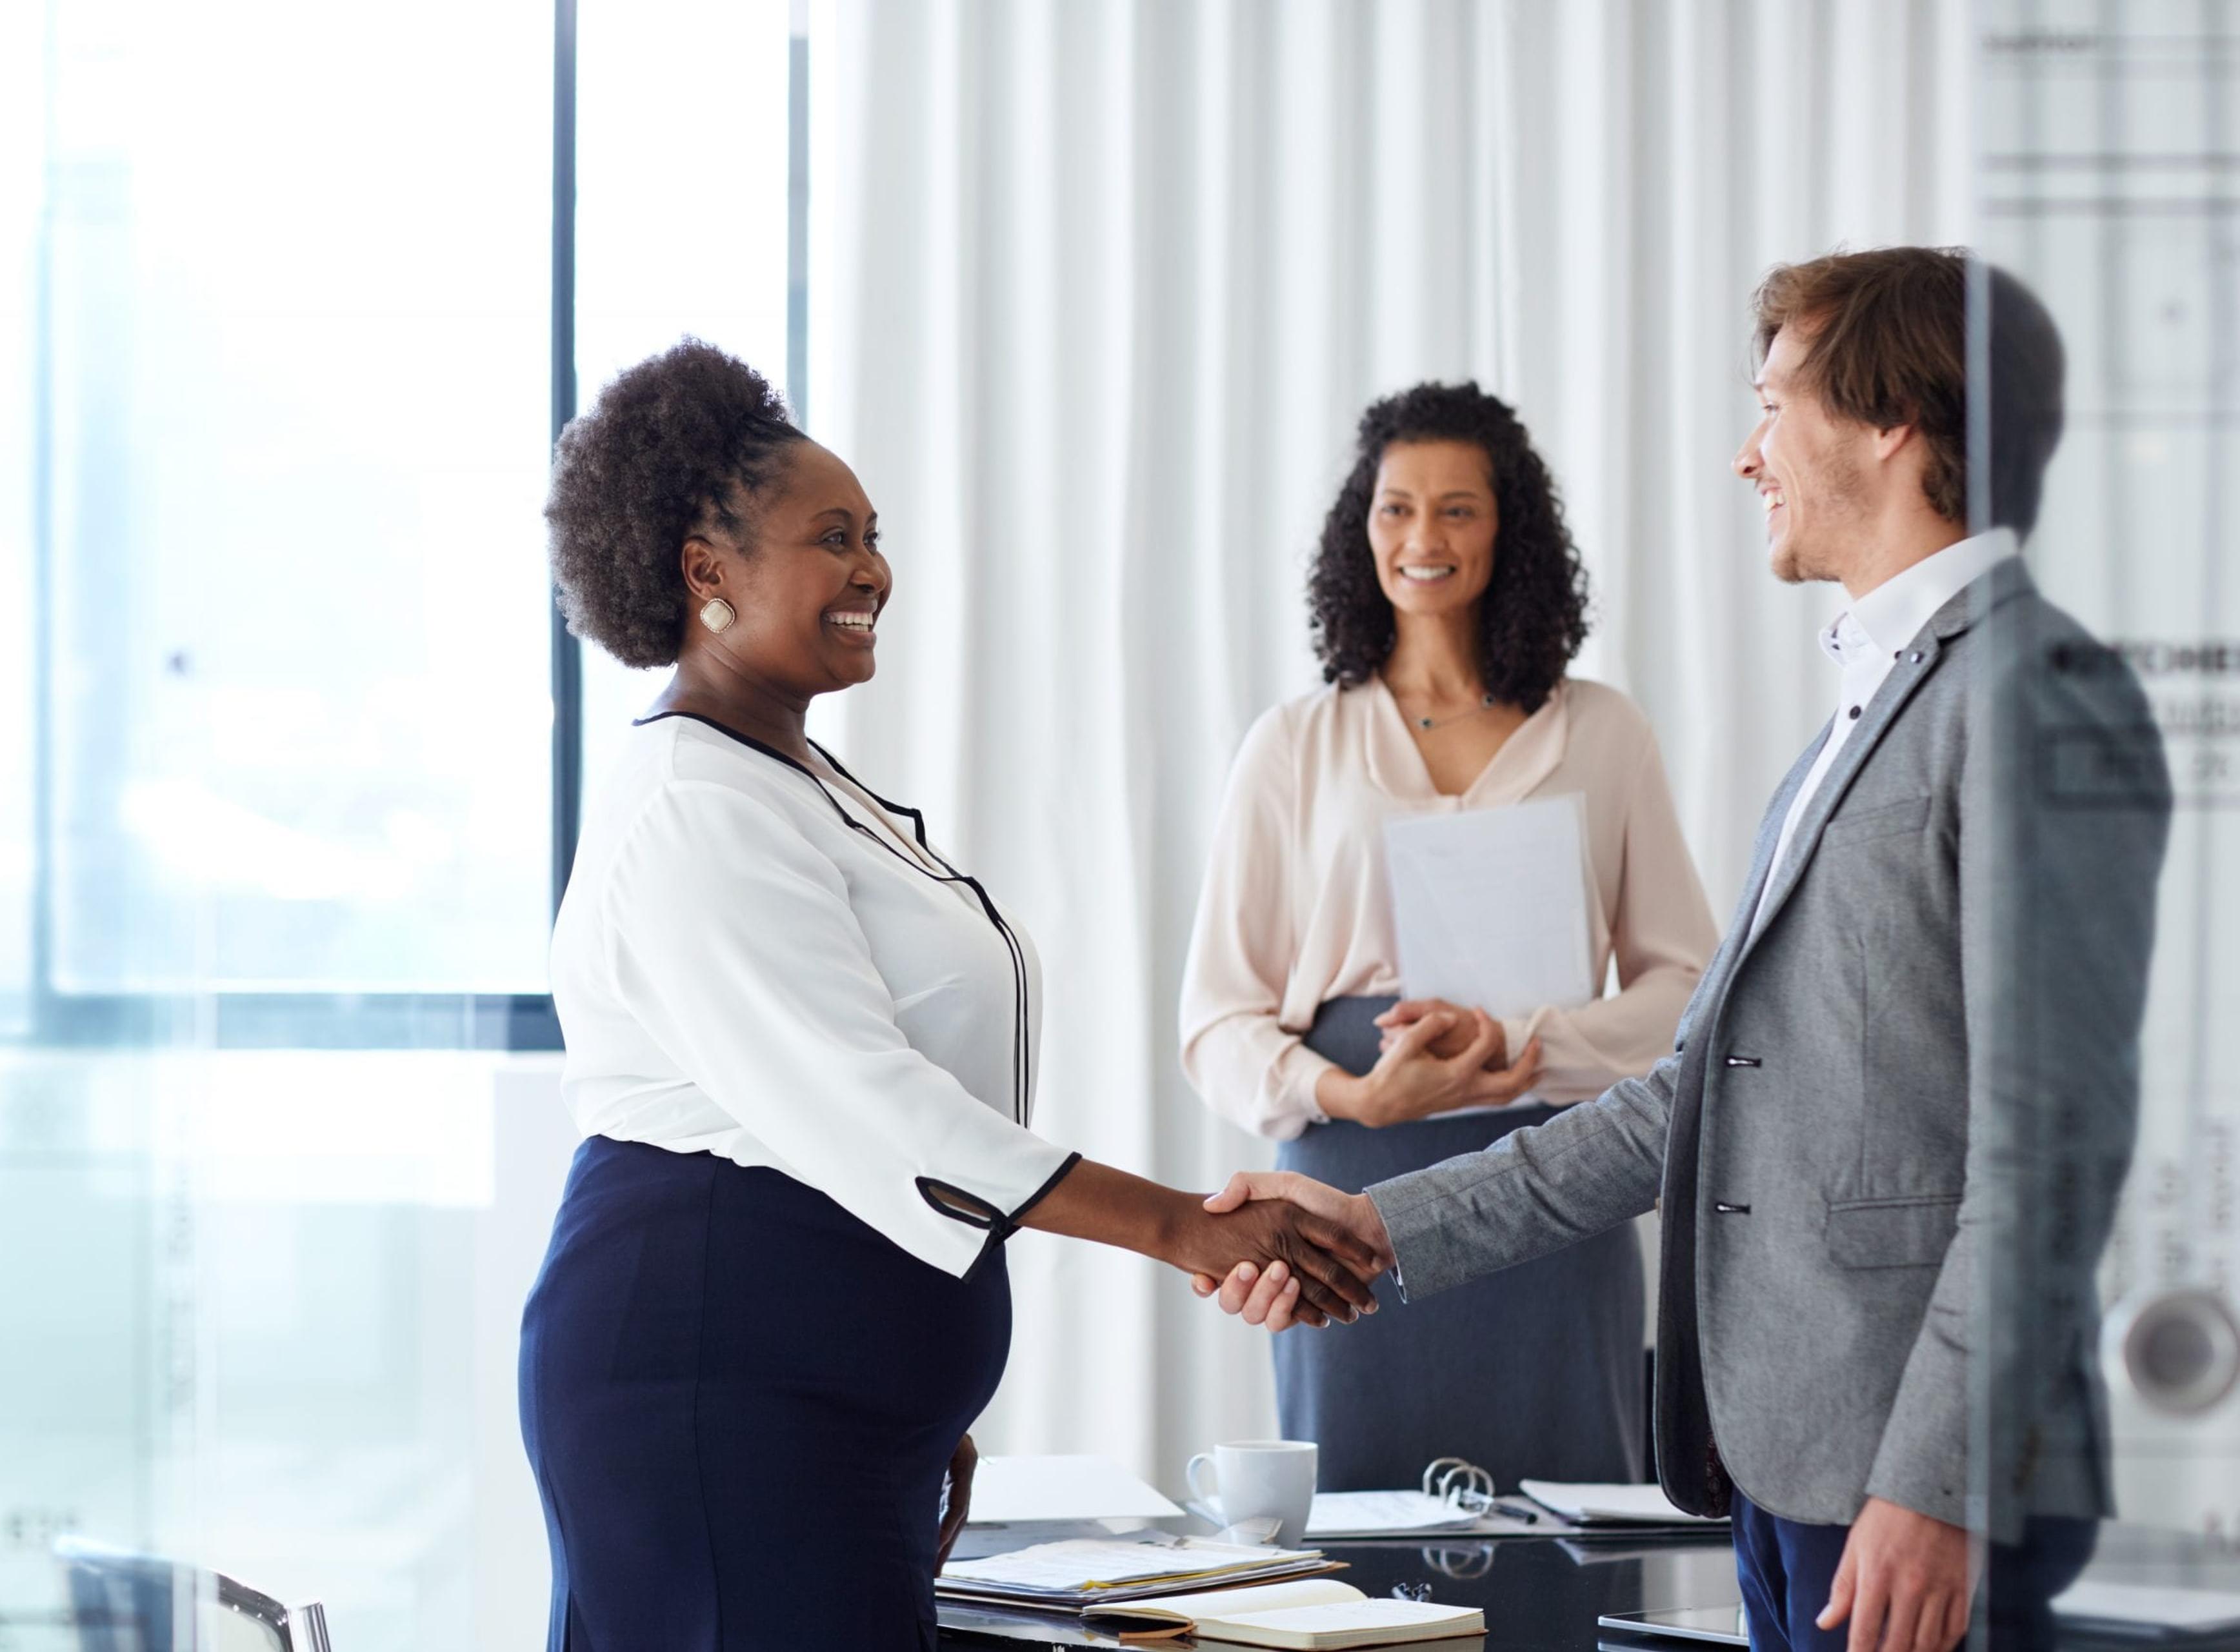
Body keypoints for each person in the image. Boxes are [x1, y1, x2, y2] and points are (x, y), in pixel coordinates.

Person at [1195, 250, 2169, 1652]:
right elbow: (1696, 1095)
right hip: (1789, 1464)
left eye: (1773, 406)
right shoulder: (1869, 704)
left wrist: (1939, 1483)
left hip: (1907, 1493)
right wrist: (1378, 1220)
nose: (1745, 453)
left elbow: (2053, 1148)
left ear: (1893, 419)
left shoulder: (2030, 696)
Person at [517, 341, 1383, 1652]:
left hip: (815, 1401)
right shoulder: (695, 810)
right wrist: (1189, 1229)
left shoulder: (795, 786)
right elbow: (882, 1116)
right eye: (832, 538)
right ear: (708, 570)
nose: (872, 570)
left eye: (874, 536)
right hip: (716, 1394)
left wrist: (915, 1402)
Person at [1178, 383, 1717, 1488]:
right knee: (1360, 1530)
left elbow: (1692, 989)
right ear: (1360, 528)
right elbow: (1217, 1017)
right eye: (1396, 508)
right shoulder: (1295, 745)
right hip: (1347, 1185)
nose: (1424, 537)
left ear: (1508, 526)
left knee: (1566, 1523)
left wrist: (1526, 1046)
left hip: (1559, 1176)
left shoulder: (1602, 732)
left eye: (1459, 508)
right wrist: (1356, 1096)